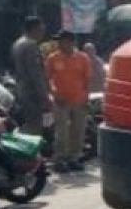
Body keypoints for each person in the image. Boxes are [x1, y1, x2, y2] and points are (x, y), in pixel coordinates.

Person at [45, 31, 91, 172]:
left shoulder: (83, 58)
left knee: (78, 130)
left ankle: (74, 158)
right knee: (61, 131)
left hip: (79, 99)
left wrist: (86, 97)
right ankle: (60, 159)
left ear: (71, 42)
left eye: (62, 41)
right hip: (60, 100)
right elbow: (47, 79)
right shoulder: (53, 58)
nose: (59, 43)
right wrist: (54, 94)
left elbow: (87, 79)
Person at [11, 17, 51, 134]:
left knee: (27, 123)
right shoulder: (30, 45)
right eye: (41, 30)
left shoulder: (17, 43)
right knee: (35, 126)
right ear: (34, 29)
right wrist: (44, 96)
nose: (42, 34)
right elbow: (35, 73)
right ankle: (32, 151)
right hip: (32, 92)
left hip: (21, 88)